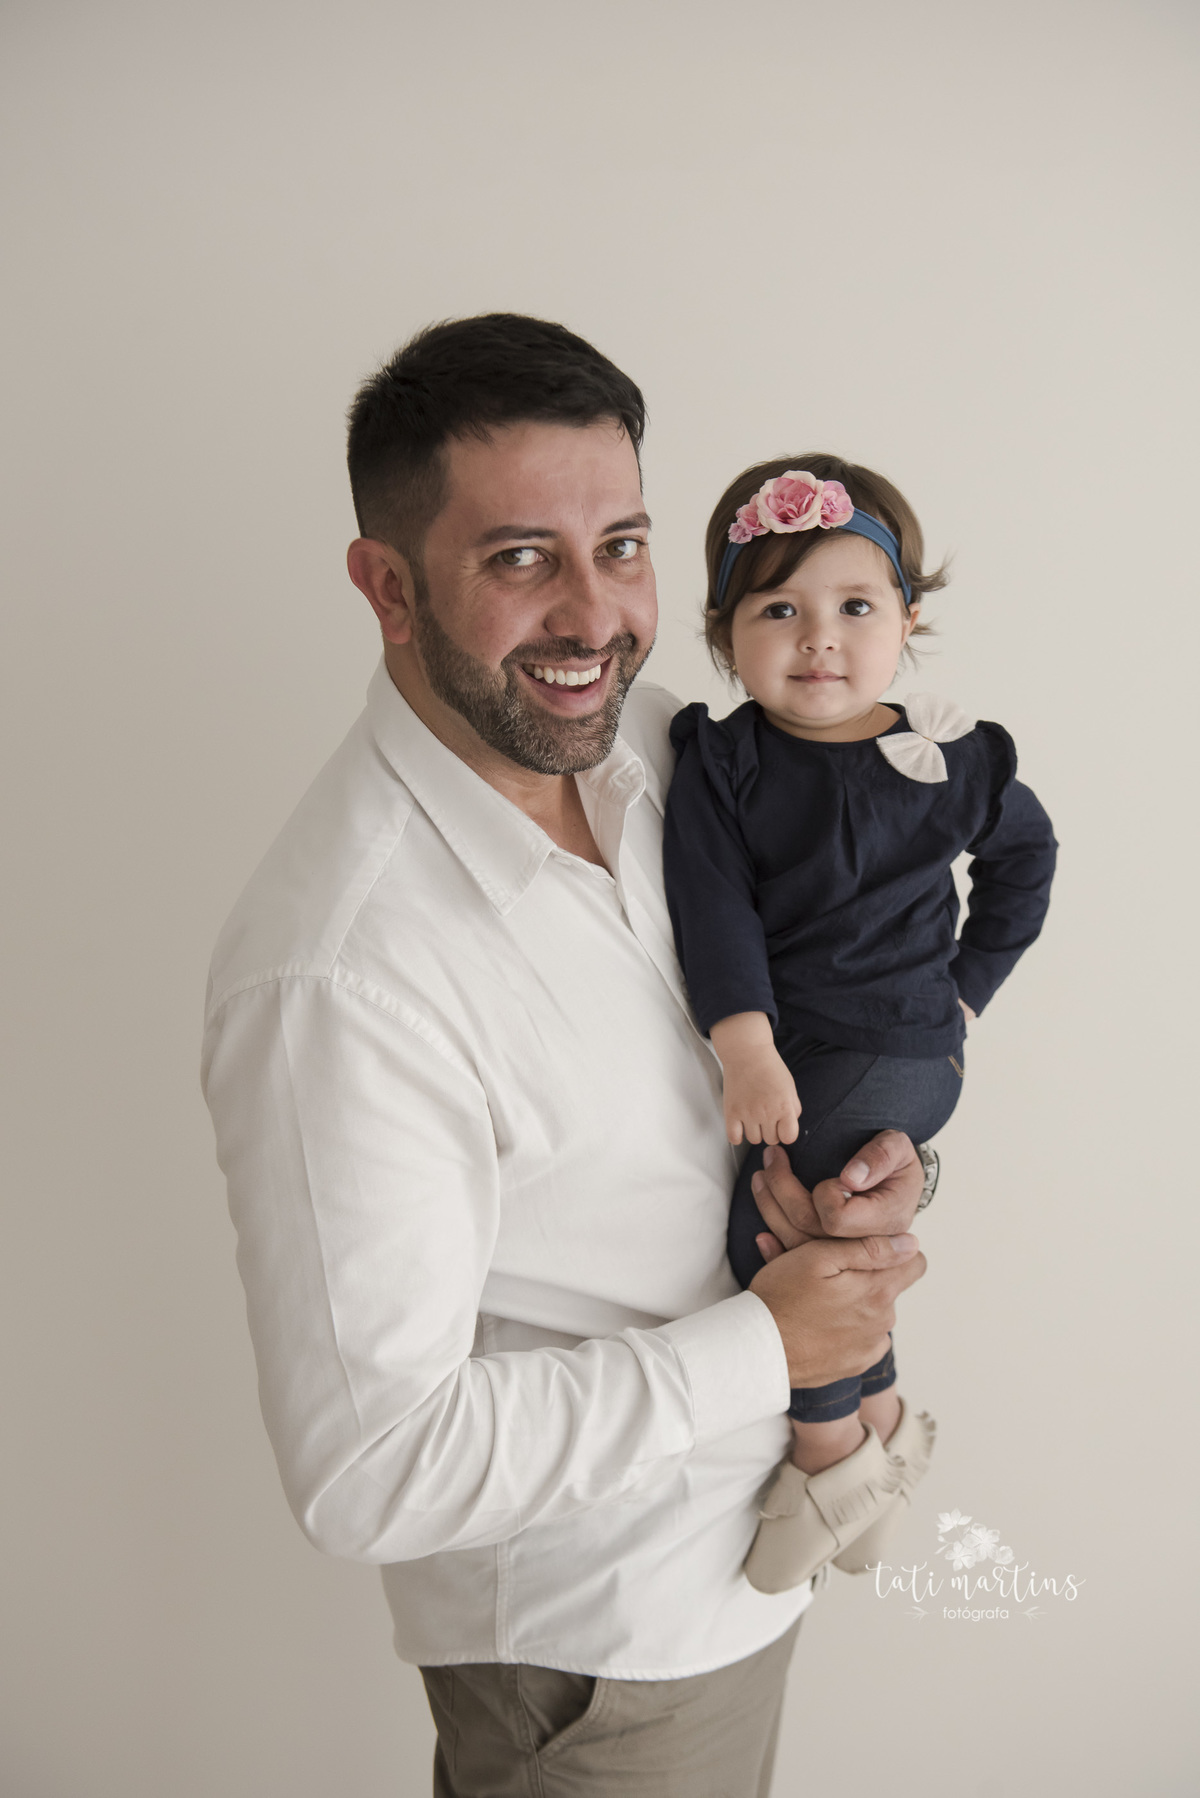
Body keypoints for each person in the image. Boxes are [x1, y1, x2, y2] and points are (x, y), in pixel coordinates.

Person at [201, 317, 930, 1798]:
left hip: (749, 1567)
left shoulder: (659, 745)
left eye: (625, 545)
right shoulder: (336, 972)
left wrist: (871, 1161)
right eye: (523, 557)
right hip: (597, 1665)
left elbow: (822, 995)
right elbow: (370, 1468)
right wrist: (770, 1346)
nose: (595, 616)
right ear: (388, 587)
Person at [664, 457, 1057, 1594]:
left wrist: (968, 988)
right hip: (818, 1054)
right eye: (777, 610)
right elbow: (713, 907)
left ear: (906, 618)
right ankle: (882, 1423)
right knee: (825, 1242)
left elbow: (1027, 862)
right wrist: (746, 1041)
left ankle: (828, 1457)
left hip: (892, 1053)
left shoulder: (952, 757)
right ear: (724, 630)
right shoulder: (728, 761)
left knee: (770, 1241)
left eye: (853, 606)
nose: (818, 640)